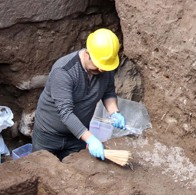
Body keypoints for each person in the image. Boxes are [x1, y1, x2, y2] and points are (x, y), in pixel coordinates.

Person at [32, 28, 126, 161]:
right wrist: (91, 139)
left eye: (105, 67)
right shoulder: (64, 71)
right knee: (41, 171)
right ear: (87, 53)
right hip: (48, 135)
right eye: (98, 65)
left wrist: (114, 112)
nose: (101, 69)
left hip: (77, 137)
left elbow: (108, 92)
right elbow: (65, 113)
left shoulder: (105, 67)